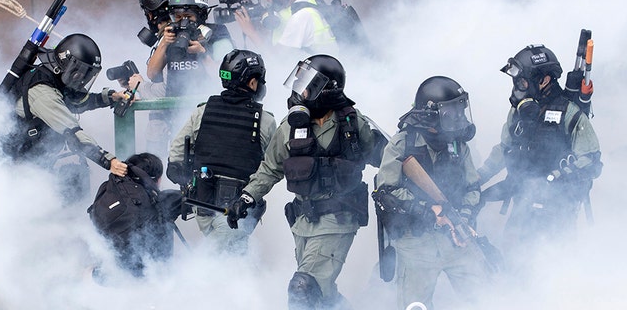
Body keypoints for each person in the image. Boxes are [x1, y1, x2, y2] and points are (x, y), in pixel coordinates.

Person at [227, 54, 384, 309]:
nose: (299, 92)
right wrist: (247, 197)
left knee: (304, 288)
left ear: (327, 89)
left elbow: (385, 157)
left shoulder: (352, 124)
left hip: (338, 219)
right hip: (303, 223)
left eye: (307, 85)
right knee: (323, 292)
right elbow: (270, 168)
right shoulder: (291, 126)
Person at [477, 44, 602, 269]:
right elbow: (503, 150)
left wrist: (555, 178)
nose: (518, 87)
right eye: (517, 82)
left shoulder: (569, 112)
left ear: (544, 80)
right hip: (522, 205)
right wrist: (475, 181)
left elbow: (591, 160)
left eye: (523, 82)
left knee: (555, 268)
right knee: (514, 264)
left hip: (558, 211)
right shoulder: (518, 112)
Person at [372, 76, 488, 310]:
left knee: (484, 297)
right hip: (415, 242)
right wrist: (428, 210)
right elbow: (386, 193)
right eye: (451, 110)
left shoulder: (458, 145)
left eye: (459, 108)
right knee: (416, 306)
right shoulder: (402, 144)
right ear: (431, 115)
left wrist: (461, 218)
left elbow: (473, 189)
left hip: (455, 237)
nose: (457, 116)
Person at [166, 49, 276, 254]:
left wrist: (189, 181)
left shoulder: (202, 111)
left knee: (226, 260)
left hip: (202, 205)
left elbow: (176, 155)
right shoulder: (265, 121)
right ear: (252, 83)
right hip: (237, 210)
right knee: (223, 267)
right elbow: (273, 167)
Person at [0, 33, 127, 202]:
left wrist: (110, 97)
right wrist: (107, 161)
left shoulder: (53, 77)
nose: (82, 79)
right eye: (80, 73)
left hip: (32, 159)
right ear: (67, 64)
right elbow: (72, 132)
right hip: (13, 167)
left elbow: (76, 103)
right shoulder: (42, 91)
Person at [137, 0, 235, 162]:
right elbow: (152, 73)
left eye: (188, 16)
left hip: (206, 117)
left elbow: (226, 78)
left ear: (201, 14)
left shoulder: (218, 34)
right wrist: (164, 44)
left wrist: (203, 54)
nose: (183, 21)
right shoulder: (171, 34)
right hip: (174, 116)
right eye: (178, 16)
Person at [89, 152, 179, 278]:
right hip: (145, 278)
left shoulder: (110, 190)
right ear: (156, 179)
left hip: (104, 275)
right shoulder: (161, 200)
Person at [234, 0, 338, 58]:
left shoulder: (301, 16)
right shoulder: (308, 3)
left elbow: (276, 59)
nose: (266, 0)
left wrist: (251, 32)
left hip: (322, 80)